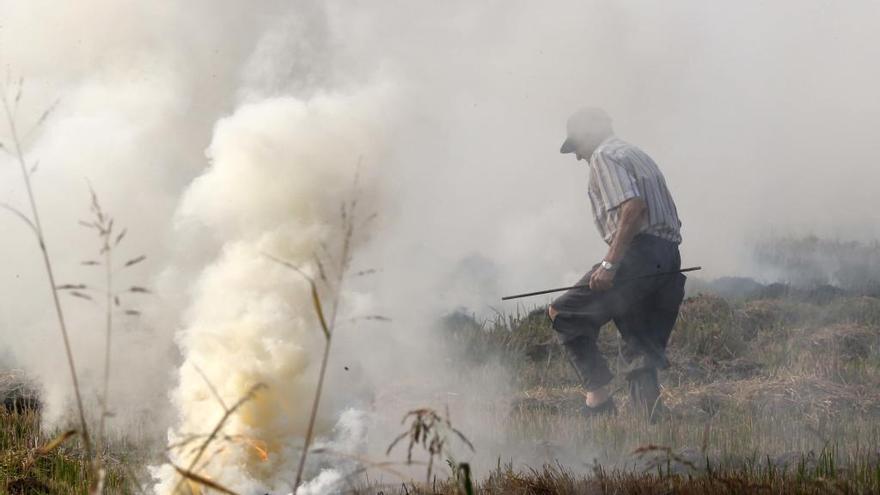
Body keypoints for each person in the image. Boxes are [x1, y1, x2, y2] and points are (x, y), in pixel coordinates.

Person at [548, 107, 686, 421]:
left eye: (577, 147)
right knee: (640, 349)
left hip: (638, 256)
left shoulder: (603, 155)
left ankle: (598, 399)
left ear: (588, 136)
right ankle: (649, 432)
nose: (578, 156)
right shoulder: (637, 155)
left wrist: (610, 264)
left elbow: (633, 207)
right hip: (668, 259)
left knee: (564, 313)